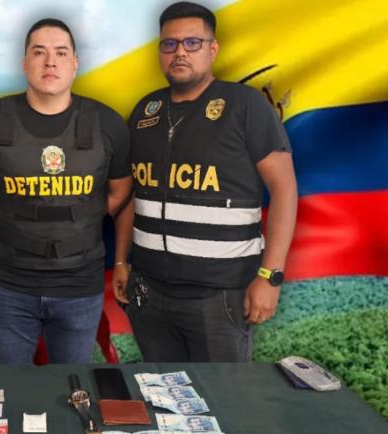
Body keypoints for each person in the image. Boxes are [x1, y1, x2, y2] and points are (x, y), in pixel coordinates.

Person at [113, 2, 297, 362]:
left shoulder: (245, 105)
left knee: (222, 394)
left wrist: (270, 276)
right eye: (170, 44)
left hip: (219, 297)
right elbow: (133, 195)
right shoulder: (146, 111)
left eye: (192, 43)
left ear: (213, 49)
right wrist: (121, 261)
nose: (180, 52)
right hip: (149, 293)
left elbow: (284, 190)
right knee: (162, 391)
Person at [0, 18, 132, 364]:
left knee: (73, 385)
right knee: (8, 386)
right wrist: (8, 218)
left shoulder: (107, 123)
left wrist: (81, 219)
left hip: (79, 288)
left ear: (75, 63)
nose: (50, 62)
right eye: (39, 52)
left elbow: (121, 193)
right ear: (24, 63)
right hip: (9, 287)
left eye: (61, 53)